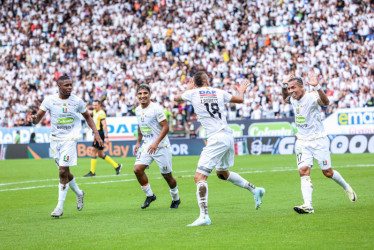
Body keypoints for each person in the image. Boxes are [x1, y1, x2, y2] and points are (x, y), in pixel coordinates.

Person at [174, 71, 265, 227]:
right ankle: (255, 190)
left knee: (199, 177)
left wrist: (187, 88)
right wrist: (241, 89)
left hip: (216, 138)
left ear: (195, 83)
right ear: (208, 81)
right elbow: (240, 99)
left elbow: (176, 98)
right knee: (222, 174)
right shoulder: (219, 92)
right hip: (228, 136)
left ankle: (204, 216)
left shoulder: (193, 92)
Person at [281, 72, 356, 214]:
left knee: (327, 172)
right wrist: (283, 85)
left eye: (293, 88)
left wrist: (318, 87)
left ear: (302, 87)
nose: (290, 91)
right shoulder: (292, 98)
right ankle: (308, 205)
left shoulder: (312, 96)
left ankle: (346, 186)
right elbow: (285, 99)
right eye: (289, 88)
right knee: (303, 171)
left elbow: (326, 102)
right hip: (302, 141)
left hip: (318, 140)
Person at [32, 75, 103, 218]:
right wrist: (33, 119)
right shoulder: (50, 100)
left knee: (62, 171)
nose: (70, 87)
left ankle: (59, 207)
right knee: (65, 172)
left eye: (71, 85)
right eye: (66, 85)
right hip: (55, 140)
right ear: (59, 86)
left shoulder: (77, 101)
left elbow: (88, 117)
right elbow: (37, 118)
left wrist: (96, 133)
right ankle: (79, 193)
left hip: (70, 139)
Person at [133, 84, 181, 209]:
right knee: (137, 169)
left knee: (167, 176)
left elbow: (166, 127)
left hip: (161, 146)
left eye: (145, 93)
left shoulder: (156, 109)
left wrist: (156, 143)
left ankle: (176, 198)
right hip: (147, 145)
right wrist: (138, 142)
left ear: (150, 94)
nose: (142, 96)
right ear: (137, 95)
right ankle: (150, 195)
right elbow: (140, 126)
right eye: (140, 93)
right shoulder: (138, 110)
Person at [84, 100, 122, 177]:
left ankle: (92, 172)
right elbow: (89, 112)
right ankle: (117, 166)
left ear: (100, 105)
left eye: (96, 105)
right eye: (93, 105)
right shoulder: (95, 111)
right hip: (96, 133)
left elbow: (105, 126)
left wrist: (107, 137)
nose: (94, 107)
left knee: (93, 150)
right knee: (101, 154)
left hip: (99, 134)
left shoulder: (101, 113)